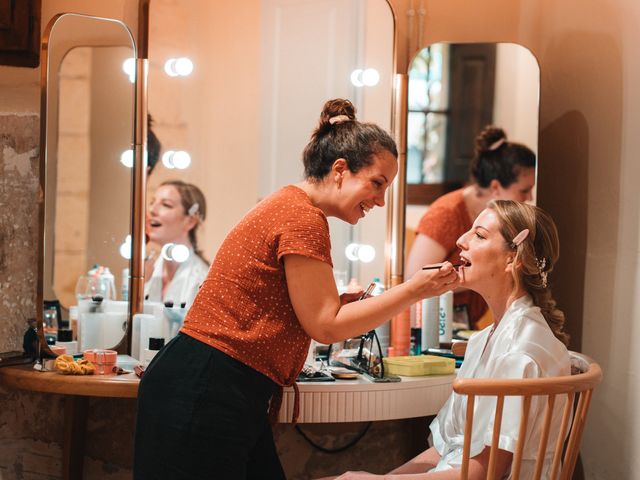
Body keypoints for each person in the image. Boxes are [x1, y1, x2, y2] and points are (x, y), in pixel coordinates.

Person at [133, 99, 460, 480]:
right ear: (340, 170)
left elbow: (306, 311)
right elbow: (326, 326)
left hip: (219, 385)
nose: (381, 200)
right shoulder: (302, 218)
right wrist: (415, 290)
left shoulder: (290, 205)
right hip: (207, 387)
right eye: (377, 183)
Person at [331, 200, 571, 480]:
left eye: (479, 235)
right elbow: (447, 448)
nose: (460, 240)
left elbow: (483, 473)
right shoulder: (483, 340)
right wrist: (382, 478)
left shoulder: (520, 353)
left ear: (513, 258)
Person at [406, 126, 536, 329]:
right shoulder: (445, 214)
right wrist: (478, 276)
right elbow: (414, 279)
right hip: (432, 329)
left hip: (468, 327)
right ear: (495, 187)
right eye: (524, 190)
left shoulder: (503, 221)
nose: (530, 198)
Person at [144, 180, 209, 308]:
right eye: (152, 202)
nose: (152, 210)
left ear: (190, 221)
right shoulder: (149, 272)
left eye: (166, 205)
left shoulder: (200, 280)